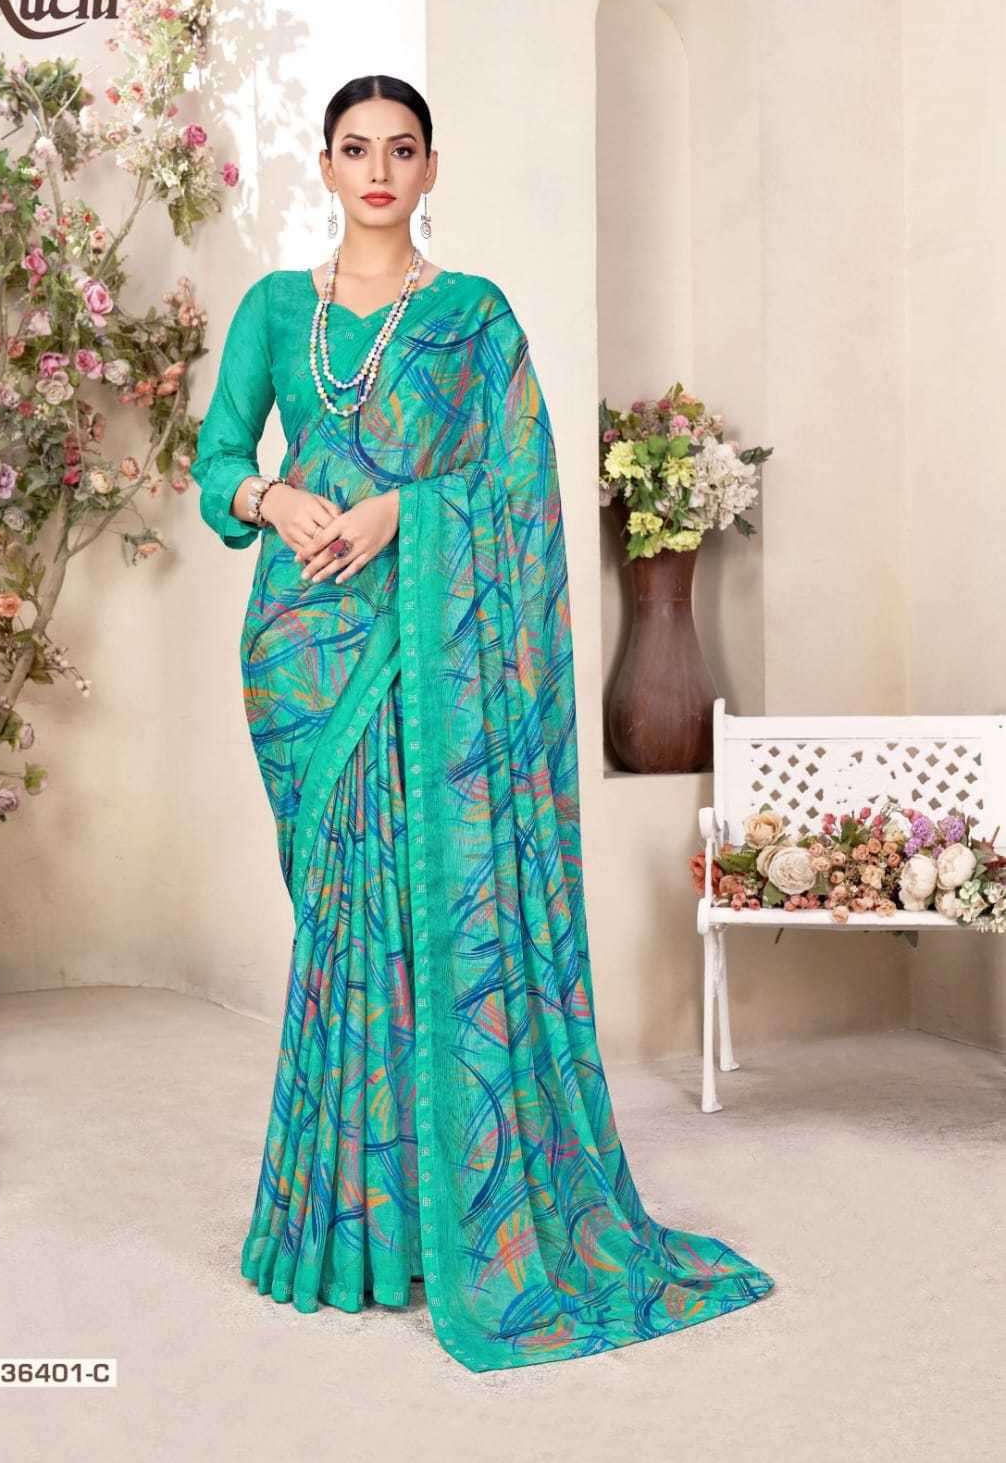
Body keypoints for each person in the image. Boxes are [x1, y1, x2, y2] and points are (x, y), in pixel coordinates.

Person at [191, 74, 775, 1373]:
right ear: (325, 167)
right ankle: (345, 1229)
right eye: (355, 149)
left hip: (428, 645)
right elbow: (215, 461)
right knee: (346, 927)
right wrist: (270, 498)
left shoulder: (473, 317)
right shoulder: (276, 310)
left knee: (422, 916)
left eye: (400, 149)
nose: (377, 170)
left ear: (431, 167)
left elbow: (515, 486)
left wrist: (405, 511)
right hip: (302, 653)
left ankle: (429, 1224)